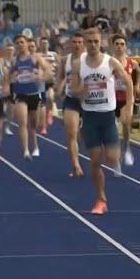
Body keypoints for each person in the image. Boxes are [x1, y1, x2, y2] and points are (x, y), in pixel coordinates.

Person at [70, 27, 134, 215]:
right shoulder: (78, 64)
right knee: (95, 161)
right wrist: (82, 91)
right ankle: (100, 199)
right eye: (89, 41)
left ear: (101, 42)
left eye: (96, 41)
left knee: (112, 158)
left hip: (107, 116)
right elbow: (73, 89)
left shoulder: (110, 62)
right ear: (85, 42)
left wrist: (128, 106)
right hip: (89, 116)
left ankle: (115, 155)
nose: (92, 45)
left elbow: (128, 81)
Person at [11, 34, 52, 159]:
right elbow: (9, 75)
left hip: (34, 94)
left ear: (26, 43)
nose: (20, 45)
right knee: (22, 123)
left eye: (21, 42)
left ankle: (35, 146)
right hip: (20, 95)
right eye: (17, 43)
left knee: (34, 126)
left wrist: (40, 77)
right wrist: (9, 84)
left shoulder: (35, 58)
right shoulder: (15, 60)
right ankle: (26, 151)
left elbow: (48, 71)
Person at [111, 34, 140, 166]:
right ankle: (116, 154)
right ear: (113, 46)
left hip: (126, 98)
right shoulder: (109, 62)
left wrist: (137, 85)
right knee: (112, 128)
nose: (119, 46)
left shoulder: (131, 62)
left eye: (122, 44)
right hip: (112, 100)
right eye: (117, 44)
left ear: (126, 46)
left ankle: (127, 148)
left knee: (125, 122)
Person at [57, 32, 86, 177]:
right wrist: (59, 90)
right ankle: (76, 165)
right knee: (71, 133)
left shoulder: (91, 59)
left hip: (88, 101)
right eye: (74, 42)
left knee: (84, 135)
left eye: (80, 42)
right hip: (71, 99)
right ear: (70, 44)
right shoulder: (64, 60)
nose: (77, 45)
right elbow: (60, 77)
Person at [38, 36, 60, 126]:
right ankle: (42, 123)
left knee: (50, 98)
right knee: (41, 104)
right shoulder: (38, 55)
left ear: (48, 44)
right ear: (40, 45)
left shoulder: (53, 54)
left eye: (46, 43)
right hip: (41, 83)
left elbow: (60, 66)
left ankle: (49, 114)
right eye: (42, 44)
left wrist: (58, 77)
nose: (44, 45)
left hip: (51, 81)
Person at [0, 43, 16, 136]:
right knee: (2, 107)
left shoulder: (16, 61)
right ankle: (0, 125)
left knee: (11, 109)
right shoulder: (1, 61)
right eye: (8, 50)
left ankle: (8, 127)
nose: (10, 52)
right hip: (3, 85)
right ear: (5, 51)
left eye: (11, 50)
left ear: (14, 51)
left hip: (14, 86)